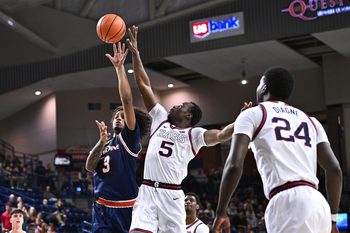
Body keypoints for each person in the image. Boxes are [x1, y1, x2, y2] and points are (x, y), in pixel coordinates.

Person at [126, 25, 251, 233]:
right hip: (147, 191)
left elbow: (221, 135)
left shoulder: (194, 135)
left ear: (188, 116)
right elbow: (143, 84)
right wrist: (136, 54)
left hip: (172, 195)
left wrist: (242, 119)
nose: (175, 105)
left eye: (181, 105)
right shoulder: (160, 119)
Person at [213, 67, 343, 233]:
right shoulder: (311, 121)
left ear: (265, 87)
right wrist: (332, 219)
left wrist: (221, 211)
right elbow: (335, 169)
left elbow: (233, 164)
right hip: (318, 204)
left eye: (259, 84)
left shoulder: (252, 114)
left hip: (288, 203)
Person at [85, 42, 151, 233]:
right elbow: (89, 166)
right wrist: (100, 142)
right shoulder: (106, 143)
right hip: (101, 208)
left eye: (123, 116)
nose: (118, 117)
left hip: (126, 206)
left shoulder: (129, 139)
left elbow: (127, 100)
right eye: (116, 116)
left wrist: (120, 68)